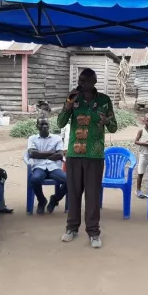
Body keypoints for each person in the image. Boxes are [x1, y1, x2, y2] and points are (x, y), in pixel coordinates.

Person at [57, 68, 117, 248]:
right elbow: (60, 123)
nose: (83, 84)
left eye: (87, 81)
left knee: (92, 195)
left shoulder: (104, 101)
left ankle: (93, 232)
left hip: (95, 154)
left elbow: (113, 127)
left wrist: (106, 121)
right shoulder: (72, 98)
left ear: (94, 82)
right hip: (75, 154)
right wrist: (68, 105)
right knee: (74, 192)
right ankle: (71, 229)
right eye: (81, 80)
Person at [27, 117, 67, 214]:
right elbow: (32, 154)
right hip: (39, 167)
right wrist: (51, 153)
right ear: (37, 126)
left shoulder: (56, 138)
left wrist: (40, 154)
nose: (44, 126)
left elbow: (60, 155)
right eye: (42, 124)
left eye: (46, 124)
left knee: (70, 180)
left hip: (54, 168)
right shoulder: (32, 138)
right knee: (34, 179)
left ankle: (55, 199)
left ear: (49, 125)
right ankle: (42, 200)